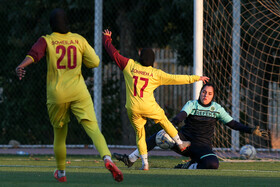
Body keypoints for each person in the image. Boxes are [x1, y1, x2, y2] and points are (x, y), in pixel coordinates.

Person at [15, 9, 123, 182]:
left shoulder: (47, 40)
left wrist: (21, 65)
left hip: (57, 94)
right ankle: (107, 158)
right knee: (93, 128)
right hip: (78, 91)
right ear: (68, 23)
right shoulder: (79, 39)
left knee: (59, 135)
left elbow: (35, 54)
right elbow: (95, 62)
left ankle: (62, 173)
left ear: (51, 25)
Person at [102, 29, 210, 170]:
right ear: (152, 61)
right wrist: (196, 78)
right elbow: (176, 78)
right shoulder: (155, 74)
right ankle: (179, 142)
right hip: (149, 107)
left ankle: (145, 163)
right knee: (164, 121)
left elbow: (113, 53)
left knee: (140, 134)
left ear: (140, 57)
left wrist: (107, 39)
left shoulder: (129, 66)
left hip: (133, 107)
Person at [113, 83, 269, 169]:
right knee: (161, 135)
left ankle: (190, 166)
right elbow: (182, 115)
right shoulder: (192, 104)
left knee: (213, 165)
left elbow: (233, 124)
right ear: (200, 92)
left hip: (202, 146)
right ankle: (131, 158)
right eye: (203, 92)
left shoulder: (217, 109)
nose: (205, 95)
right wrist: (172, 123)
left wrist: (250, 130)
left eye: (209, 93)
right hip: (183, 142)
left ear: (213, 96)